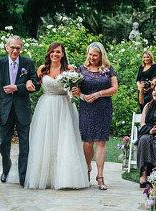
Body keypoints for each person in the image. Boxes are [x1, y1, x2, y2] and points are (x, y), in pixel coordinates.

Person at [24, 42, 89, 190]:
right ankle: (45, 177)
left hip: (65, 106)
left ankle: (66, 177)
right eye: (52, 52)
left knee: (65, 139)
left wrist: (74, 91)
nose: (55, 54)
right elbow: (35, 85)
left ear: (63, 54)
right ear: (49, 53)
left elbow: (76, 88)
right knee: (46, 139)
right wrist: (29, 81)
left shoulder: (69, 70)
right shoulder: (42, 69)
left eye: (58, 52)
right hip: (46, 106)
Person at [0, 36, 40, 186]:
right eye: (13, 47)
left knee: (25, 144)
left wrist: (17, 87)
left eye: (18, 48)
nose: (15, 50)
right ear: (7, 48)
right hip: (4, 110)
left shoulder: (28, 64)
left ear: (21, 49)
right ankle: (6, 169)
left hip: (22, 109)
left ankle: (23, 176)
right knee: (4, 143)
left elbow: (36, 86)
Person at [70, 42, 118, 190]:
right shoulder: (81, 69)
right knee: (88, 141)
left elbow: (115, 88)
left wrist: (99, 94)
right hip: (87, 108)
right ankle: (87, 169)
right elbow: (75, 92)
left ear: (101, 55)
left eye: (95, 55)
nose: (91, 57)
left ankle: (100, 176)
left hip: (103, 108)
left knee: (101, 141)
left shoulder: (108, 69)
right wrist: (83, 96)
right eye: (90, 54)